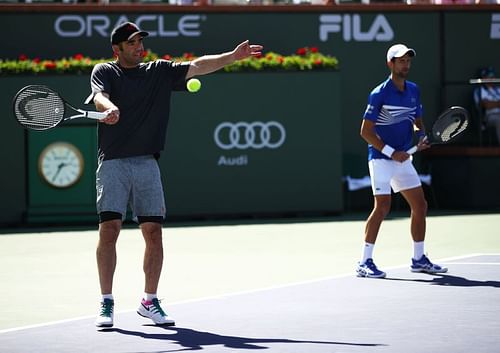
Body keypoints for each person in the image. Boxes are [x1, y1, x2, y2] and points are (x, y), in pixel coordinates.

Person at [85, 21, 262, 328]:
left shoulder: (158, 71)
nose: (139, 47)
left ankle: (149, 301)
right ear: (117, 49)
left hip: (147, 164)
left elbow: (197, 66)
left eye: (141, 41)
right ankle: (107, 302)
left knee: (153, 232)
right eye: (132, 43)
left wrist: (232, 57)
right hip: (113, 162)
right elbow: (99, 96)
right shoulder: (105, 71)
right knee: (110, 229)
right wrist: (109, 107)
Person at [356, 43, 448, 279]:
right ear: (391, 64)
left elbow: (417, 120)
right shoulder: (379, 93)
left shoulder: (414, 90)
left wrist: (421, 135)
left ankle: (418, 259)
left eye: (408, 61)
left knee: (420, 205)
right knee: (383, 207)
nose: (405, 65)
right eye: (401, 61)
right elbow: (365, 132)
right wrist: (390, 152)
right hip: (380, 158)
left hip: (403, 159)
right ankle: (364, 262)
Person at [473, 66, 500, 145]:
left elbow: (490, 103)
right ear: (483, 77)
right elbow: (486, 105)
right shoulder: (479, 90)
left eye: (492, 76)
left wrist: (494, 103)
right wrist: (497, 103)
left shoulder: (498, 90)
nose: (491, 78)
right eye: (488, 76)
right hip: (489, 116)